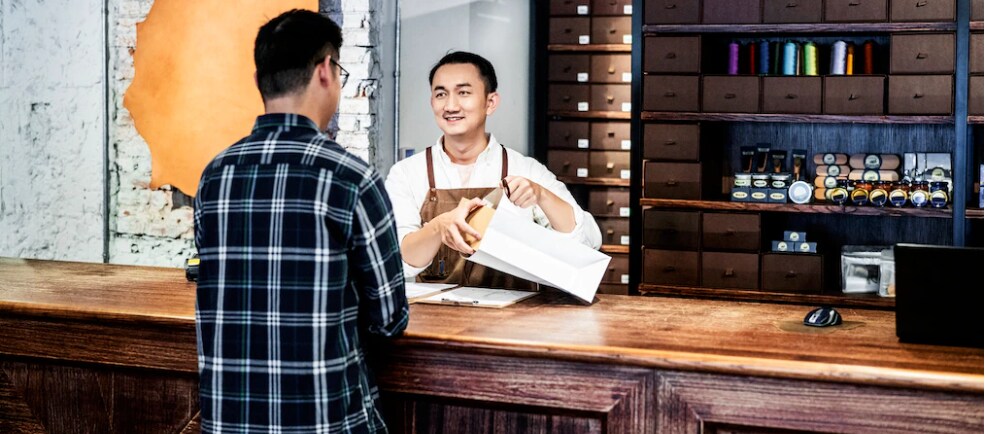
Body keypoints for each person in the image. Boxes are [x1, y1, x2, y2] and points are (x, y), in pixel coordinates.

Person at [193, 9, 408, 433]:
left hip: (228, 423)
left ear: (260, 82)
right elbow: (389, 319)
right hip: (326, 422)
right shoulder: (351, 178)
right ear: (326, 70)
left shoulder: (215, 176)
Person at [385, 51, 602, 289]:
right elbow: (399, 259)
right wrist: (439, 226)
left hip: (515, 320)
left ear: (490, 103)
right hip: (438, 320)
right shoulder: (406, 173)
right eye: (441, 94)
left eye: (464, 92)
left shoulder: (525, 169)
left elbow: (587, 243)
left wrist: (542, 195)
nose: (450, 105)